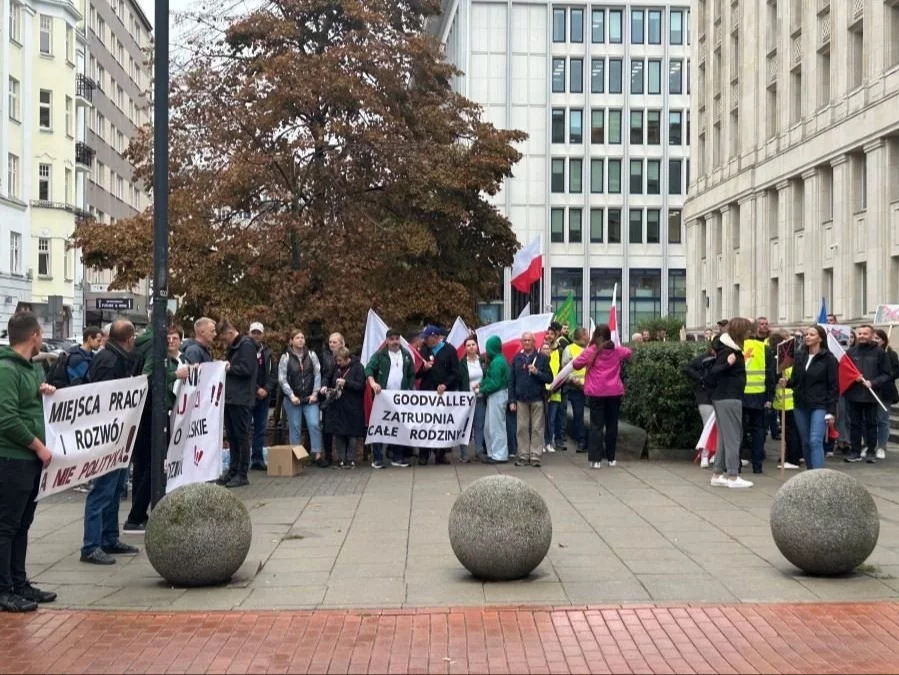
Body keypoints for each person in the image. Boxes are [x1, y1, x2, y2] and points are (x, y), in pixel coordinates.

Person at [0, 312, 57, 610]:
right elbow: (6, 418)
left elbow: (28, 406)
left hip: (29, 461)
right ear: (34, 335)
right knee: (7, 526)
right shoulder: (7, 370)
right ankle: (4, 589)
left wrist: (43, 393)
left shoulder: (31, 369)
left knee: (22, 524)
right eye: (41, 334)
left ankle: (19, 583)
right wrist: (38, 447)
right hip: (12, 459)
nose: (42, 339)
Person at [81, 320, 142, 565]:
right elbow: (104, 397)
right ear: (129, 339)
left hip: (117, 434)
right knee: (103, 490)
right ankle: (91, 545)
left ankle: (109, 538)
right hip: (108, 434)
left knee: (115, 489)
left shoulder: (114, 358)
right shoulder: (110, 361)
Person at [123, 326, 189, 534]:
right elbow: (149, 377)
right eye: (168, 336)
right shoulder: (154, 347)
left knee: (144, 464)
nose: (170, 341)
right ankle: (136, 516)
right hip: (152, 411)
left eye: (174, 338)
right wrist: (173, 374)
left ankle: (138, 514)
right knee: (154, 464)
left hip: (142, 412)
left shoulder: (142, 344)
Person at [573, 324, 632, 468]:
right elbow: (629, 353)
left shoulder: (591, 351)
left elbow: (576, 364)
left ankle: (596, 459)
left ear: (596, 336)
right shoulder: (617, 350)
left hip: (596, 392)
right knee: (612, 425)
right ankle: (611, 458)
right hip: (614, 392)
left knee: (596, 425)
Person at [782, 326, 838, 470]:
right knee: (806, 441)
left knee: (815, 440)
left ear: (820, 338)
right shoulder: (800, 356)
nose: (807, 337)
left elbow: (833, 386)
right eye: (806, 334)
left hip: (819, 404)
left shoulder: (828, 359)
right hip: (800, 404)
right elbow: (795, 379)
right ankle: (810, 472)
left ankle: (819, 474)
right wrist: (786, 383)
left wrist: (831, 411)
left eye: (812, 335)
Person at [709, 317, 754, 489]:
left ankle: (718, 473)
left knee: (724, 437)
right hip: (729, 397)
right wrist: (728, 365)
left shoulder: (727, 347)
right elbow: (715, 371)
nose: (750, 333)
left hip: (724, 397)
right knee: (734, 436)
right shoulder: (730, 351)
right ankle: (733, 476)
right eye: (748, 330)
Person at [365, 329, 416, 468]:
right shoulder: (380, 355)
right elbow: (368, 369)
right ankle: (377, 459)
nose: (395, 342)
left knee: (399, 427)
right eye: (392, 339)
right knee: (380, 427)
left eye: (397, 339)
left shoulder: (406, 354)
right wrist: (373, 383)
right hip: (383, 397)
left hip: (400, 398)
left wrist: (409, 387)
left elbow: (412, 373)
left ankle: (398, 457)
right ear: (387, 340)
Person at [216, 320, 258, 487]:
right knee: (233, 436)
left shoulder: (245, 345)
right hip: (233, 397)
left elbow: (247, 369)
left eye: (223, 338)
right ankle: (233, 471)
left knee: (241, 436)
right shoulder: (237, 346)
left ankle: (241, 473)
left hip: (241, 398)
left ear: (229, 333)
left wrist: (229, 368)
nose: (223, 342)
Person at [844, 325, 893, 463]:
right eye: (860, 333)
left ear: (871, 335)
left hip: (872, 395)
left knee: (871, 424)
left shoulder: (880, 353)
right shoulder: (851, 352)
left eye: (865, 333)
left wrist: (873, 382)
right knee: (854, 424)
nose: (862, 336)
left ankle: (871, 451)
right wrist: (853, 378)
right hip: (854, 394)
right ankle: (855, 451)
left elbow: (886, 374)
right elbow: (845, 371)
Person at [278, 330, 324, 465]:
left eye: (302, 337)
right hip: (293, 399)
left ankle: (317, 454)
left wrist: (315, 394)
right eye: (297, 338)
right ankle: (297, 456)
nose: (300, 340)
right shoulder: (285, 357)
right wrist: (291, 395)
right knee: (295, 427)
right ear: (291, 341)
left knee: (314, 424)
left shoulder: (311, 355)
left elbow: (317, 374)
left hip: (310, 398)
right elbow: (282, 379)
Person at [417, 325, 460, 465]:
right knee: (425, 423)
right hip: (426, 393)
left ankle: (440, 454)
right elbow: (416, 374)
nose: (425, 341)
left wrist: (445, 384)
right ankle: (423, 454)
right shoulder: (423, 351)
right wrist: (423, 369)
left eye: (427, 338)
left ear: (435, 337)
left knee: (442, 424)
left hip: (443, 394)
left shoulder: (449, 350)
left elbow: (456, 372)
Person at [509, 332, 552, 467]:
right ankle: (522, 455)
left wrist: (537, 372)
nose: (527, 342)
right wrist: (512, 400)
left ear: (534, 342)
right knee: (521, 428)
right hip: (521, 399)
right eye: (524, 340)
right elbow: (512, 381)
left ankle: (535, 456)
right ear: (521, 342)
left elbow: (549, 378)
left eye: (529, 340)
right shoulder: (517, 358)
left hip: (537, 398)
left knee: (537, 429)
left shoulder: (542, 358)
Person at [742, 321, 776, 474]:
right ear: (756, 331)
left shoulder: (738, 347)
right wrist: (769, 396)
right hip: (759, 395)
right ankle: (757, 465)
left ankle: (736, 464)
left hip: (740, 395)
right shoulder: (764, 349)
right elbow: (770, 375)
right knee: (758, 431)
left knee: (739, 431)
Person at [323, 347, 365, 469]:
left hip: (352, 405)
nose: (338, 363)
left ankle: (351, 459)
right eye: (337, 361)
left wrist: (346, 383)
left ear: (347, 359)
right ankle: (341, 459)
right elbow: (327, 377)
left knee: (352, 433)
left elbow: (360, 385)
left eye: (340, 361)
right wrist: (325, 385)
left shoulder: (358, 367)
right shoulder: (335, 367)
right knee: (339, 433)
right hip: (338, 405)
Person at [769, 333, 801, 471]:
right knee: (792, 431)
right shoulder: (793, 358)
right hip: (789, 399)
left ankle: (792, 458)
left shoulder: (781, 360)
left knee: (790, 432)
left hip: (787, 400)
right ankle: (792, 455)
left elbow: (773, 378)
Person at [249, 323, 277, 472]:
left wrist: (266, 389)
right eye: (253, 332)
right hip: (249, 395)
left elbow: (274, 374)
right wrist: (256, 389)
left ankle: (257, 459)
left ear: (263, 334)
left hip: (264, 396)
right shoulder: (245, 350)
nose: (256, 335)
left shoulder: (269, 353)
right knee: (246, 429)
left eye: (258, 333)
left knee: (260, 429)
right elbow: (246, 373)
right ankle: (243, 460)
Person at [684, 341, 717, 468]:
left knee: (717, 427)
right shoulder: (704, 358)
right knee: (707, 426)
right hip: (705, 396)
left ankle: (714, 454)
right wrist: (700, 378)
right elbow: (687, 367)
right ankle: (705, 454)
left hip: (715, 395)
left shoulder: (720, 358)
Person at [479, 336, 510, 464]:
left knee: (496, 426)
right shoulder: (498, 360)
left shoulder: (497, 362)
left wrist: (482, 388)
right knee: (490, 426)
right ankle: (494, 453)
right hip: (496, 394)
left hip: (498, 394)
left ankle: (499, 455)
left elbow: (495, 383)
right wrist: (482, 385)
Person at [457, 337, 486, 463]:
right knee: (465, 426)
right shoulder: (462, 363)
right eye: (468, 345)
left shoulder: (484, 361)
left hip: (480, 398)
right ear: (465, 348)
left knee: (479, 425)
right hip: (466, 400)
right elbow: (459, 380)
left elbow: (487, 377)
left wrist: (482, 386)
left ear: (477, 346)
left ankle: (479, 451)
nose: (471, 347)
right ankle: (464, 453)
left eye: (473, 344)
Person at [319, 332, 346, 467]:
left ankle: (344, 456)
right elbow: (324, 375)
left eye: (334, 342)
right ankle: (328, 455)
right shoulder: (324, 356)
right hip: (329, 396)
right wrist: (324, 385)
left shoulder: (347, 357)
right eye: (330, 342)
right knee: (327, 427)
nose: (331, 344)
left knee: (343, 427)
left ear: (342, 343)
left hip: (344, 397)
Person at [872, 329, 899, 462]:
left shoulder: (890, 354)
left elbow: (895, 371)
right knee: (869, 420)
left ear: (883, 340)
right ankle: (869, 444)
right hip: (870, 391)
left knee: (883, 419)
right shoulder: (869, 353)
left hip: (885, 391)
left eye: (877, 338)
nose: (875, 340)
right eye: (874, 338)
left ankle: (882, 446)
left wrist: (884, 375)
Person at [561, 328, 588, 453]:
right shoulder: (569, 349)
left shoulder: (589, 349)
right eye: (587, 334)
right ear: (582, 336)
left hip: (588, 387)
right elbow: (565, 369)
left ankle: (583, 441)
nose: (588, 336)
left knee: (581, 415)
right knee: (577, 415)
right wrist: (574, 381)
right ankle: (580, 441)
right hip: (574, 387)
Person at [541, 341, 561, 455]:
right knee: (542, 420)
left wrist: (554, 388)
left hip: (554, 393)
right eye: (544, 348)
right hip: (543, 394)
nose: (546, 350)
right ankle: (542, 442)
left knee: (551, 420)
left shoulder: (555, 359)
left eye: (548, 348)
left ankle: (549, 442)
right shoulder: (538, 361)